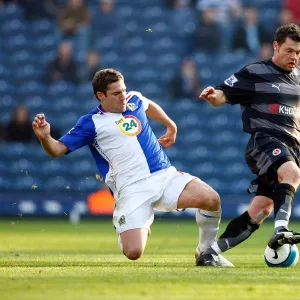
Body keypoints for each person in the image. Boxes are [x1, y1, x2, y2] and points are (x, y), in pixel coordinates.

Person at [32, 68, 232, 266]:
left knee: (211, 198)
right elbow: (57, 150)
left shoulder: (133, 99)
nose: (123, 96)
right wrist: (45, 138)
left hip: (163, 175)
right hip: (131, 189)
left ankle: (206, 252)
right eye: (116, 93)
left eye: (124, 90)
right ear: (101, 96)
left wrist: (170, 125)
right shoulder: (91, 123)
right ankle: (130, 224)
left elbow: (148, 105)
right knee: (133, 252)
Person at [198, 23, 300, 266]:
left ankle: (210, 252)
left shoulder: (298, 78)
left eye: (298, 52)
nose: (294, 57)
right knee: (292, 173)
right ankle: (281, 230)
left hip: (292, 145)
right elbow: (223, 93)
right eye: (289, 51)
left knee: (262, 208)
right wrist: (214, 97)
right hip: (264, 140)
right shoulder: (255, 72)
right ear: (275, 46)